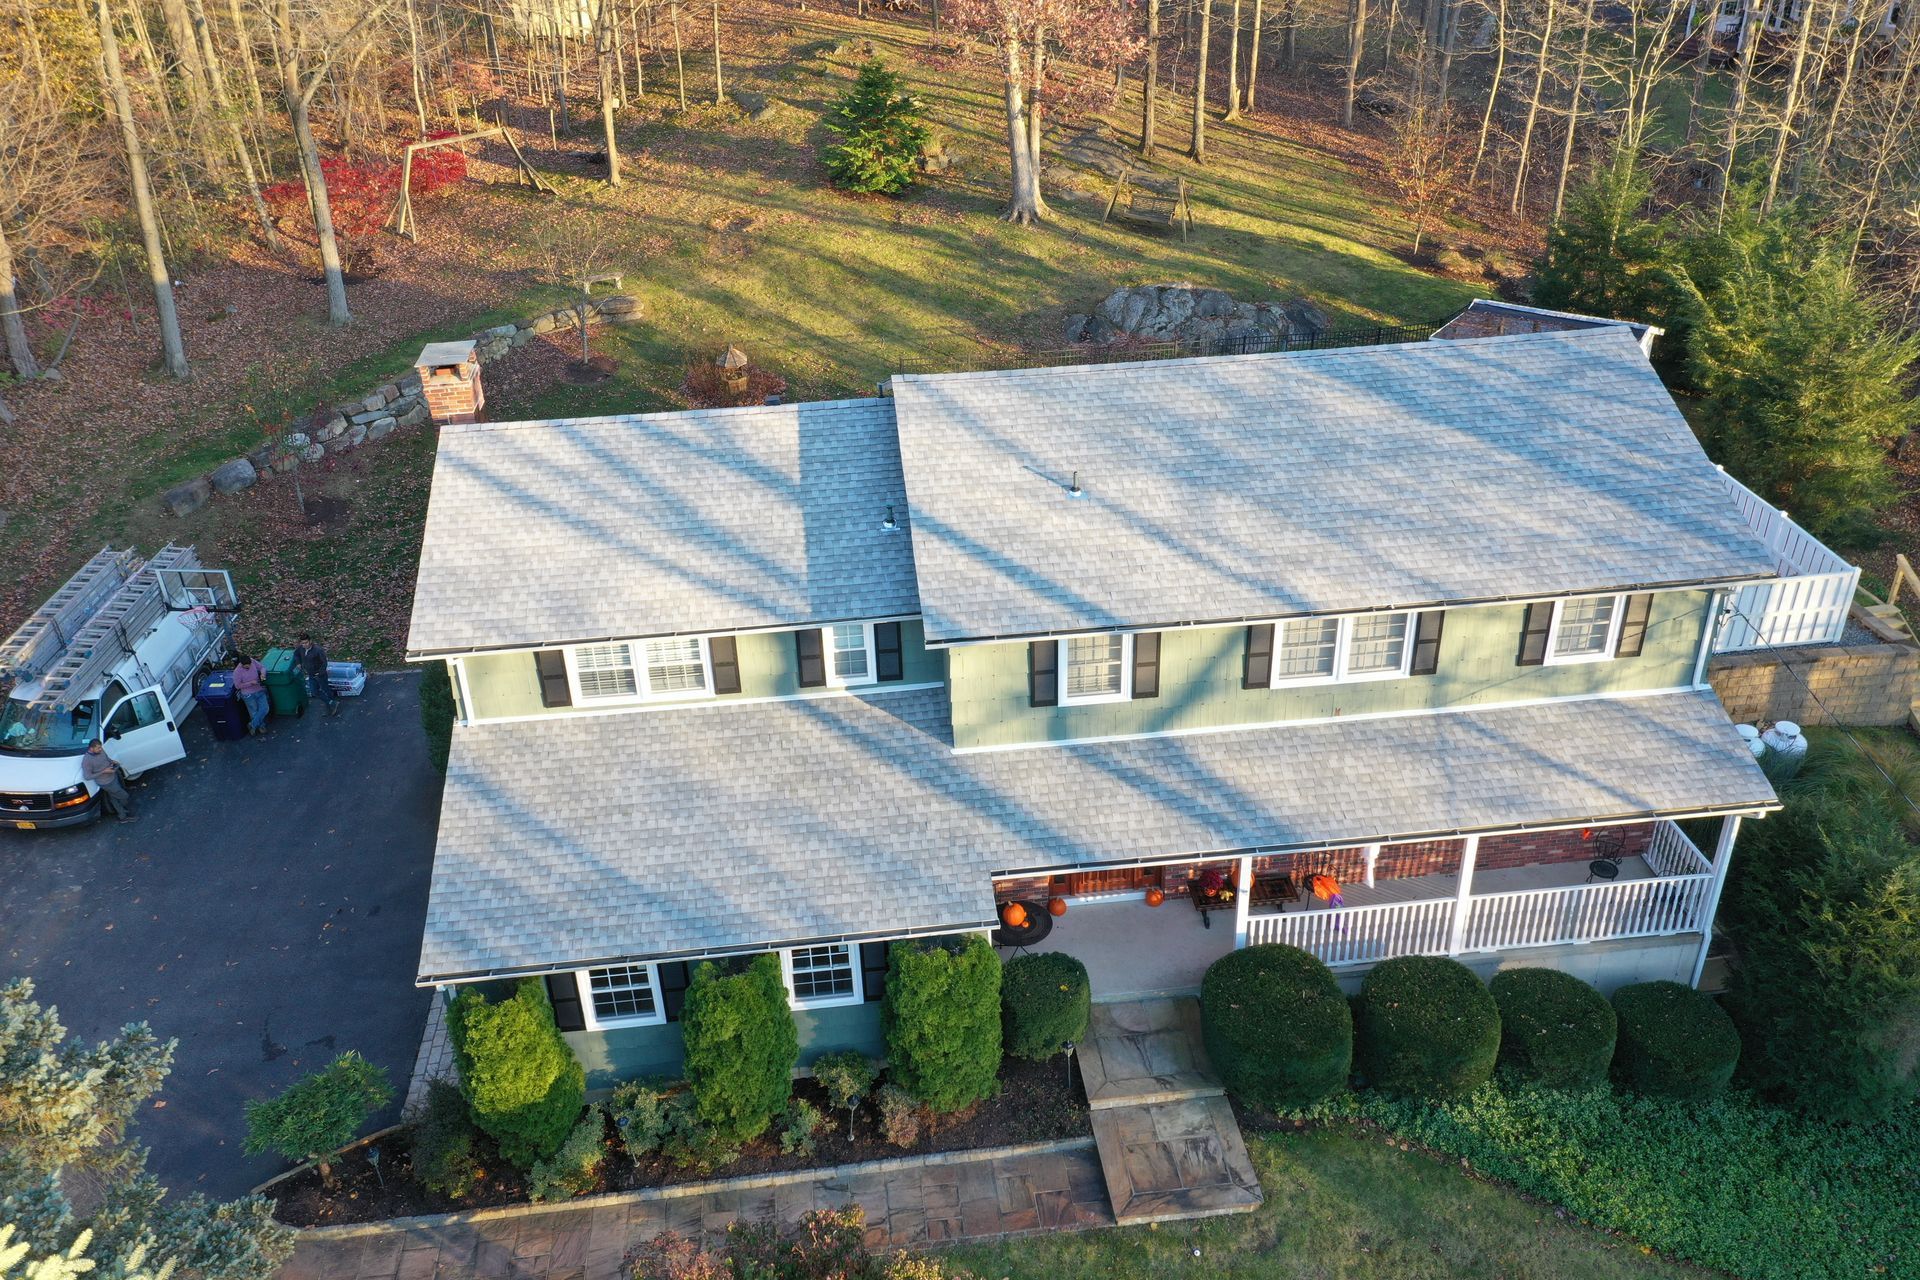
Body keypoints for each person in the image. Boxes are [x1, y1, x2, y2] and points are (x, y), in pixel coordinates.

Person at [82, 740, 134, 822]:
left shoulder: (101, 750)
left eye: (100, 747)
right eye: (98, 748)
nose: (101, 749)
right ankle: (124, 811)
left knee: (114, 798)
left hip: (113, 776)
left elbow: (106, 758)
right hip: (106, 783)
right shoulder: (87, 760)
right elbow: (87, 776)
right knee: (124, 796)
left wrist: (112, 761)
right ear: (91, 748)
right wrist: (103, 771)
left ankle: (123, 817)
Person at [293, 633, 338, 716]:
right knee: (314, 692)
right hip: (311, 675)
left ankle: (330, 707)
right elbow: (296, 654)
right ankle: (332, 703)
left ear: (310, 641)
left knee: (325, 689)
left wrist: (319, 673)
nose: (304, 645)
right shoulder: (301, 648)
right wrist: (298, 663)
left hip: (320, 675)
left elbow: (324, 663)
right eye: (302, 643)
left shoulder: (318, 650)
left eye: (306, 643)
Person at [232, 653, 270, 735]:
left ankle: (252, 725)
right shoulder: (237, 672)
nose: (249, 667)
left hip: (258, 689)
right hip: (248, 694)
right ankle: (261, 726)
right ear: (241, 664)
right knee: (254, 711)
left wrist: (263, 674)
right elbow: (237, 685)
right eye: (246, 666)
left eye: (249, 665)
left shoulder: (252, 661)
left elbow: (262, 667)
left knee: (265, 708)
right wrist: (250, 683)